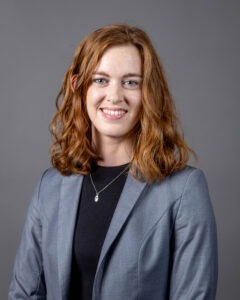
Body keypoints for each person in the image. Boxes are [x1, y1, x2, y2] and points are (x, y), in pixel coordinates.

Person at [9, 24, 218, 300]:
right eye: (100, 80)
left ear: (148, 93)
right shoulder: (49, 186)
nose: (115, 95)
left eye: (131, 82)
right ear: (78, 86)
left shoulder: (183, 189)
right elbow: (24, 294)